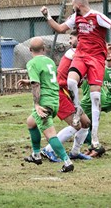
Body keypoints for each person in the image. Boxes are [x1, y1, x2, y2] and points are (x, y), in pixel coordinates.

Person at [41, 0, 111, 152]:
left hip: (95, 59)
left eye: (72, 5)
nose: (70, 41)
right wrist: (47, 16)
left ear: (78, 5)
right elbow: (60, 28)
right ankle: (49, 149)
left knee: (92, 104)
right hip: (63, 88)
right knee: (73, 90)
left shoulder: (96, 16)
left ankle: (88, 142)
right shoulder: (73, 50)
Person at [17, 37, 74, 173]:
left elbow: (36, 84)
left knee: (50, 134)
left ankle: (67, 162)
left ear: (30, 50)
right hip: (55, 100)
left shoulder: (32, 63)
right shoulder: (50, 61)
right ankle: (36, 155)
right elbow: (44, 79)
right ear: (44, 49)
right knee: (31, 122)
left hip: (44, 102)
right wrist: (28, 81)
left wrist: (37, 104)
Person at [41, 31, 92, 162]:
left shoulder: (82, 54)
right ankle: (48, 150)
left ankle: (75, 152)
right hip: (59, 93)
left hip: (67, 94)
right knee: (76, 125)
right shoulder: (73, 53)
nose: (69, 41)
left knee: (86, 123)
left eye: (72, 38)